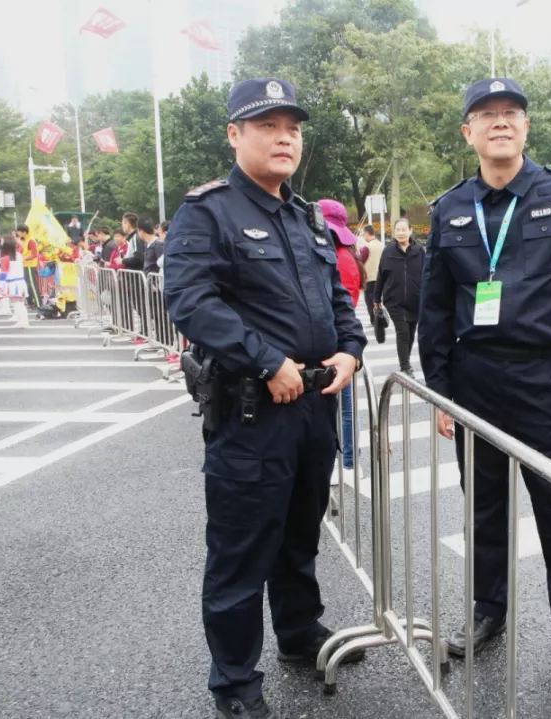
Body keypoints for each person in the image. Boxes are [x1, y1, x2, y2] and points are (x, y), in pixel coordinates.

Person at [163, 77, 367, 719]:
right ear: (235, 134)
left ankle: (299, 633)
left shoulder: (305, 216)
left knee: (300, 534)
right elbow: (190, 301)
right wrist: (266, 359)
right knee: (241, 550)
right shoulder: (209, 212)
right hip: (253, 411)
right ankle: (234, 682)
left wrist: (351, 349)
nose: (285, 138)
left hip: (314, 406)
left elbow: (336, 299)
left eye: (293, 128)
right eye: (268, 126)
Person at [418, 77, 551, 684]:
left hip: (544, 380)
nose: (500, 122)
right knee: (484, 508)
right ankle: (488, 609)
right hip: (475, 379)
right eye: (486, 114)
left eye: (511, 113)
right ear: (468, 132)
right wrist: (440, 391)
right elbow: (434, 308)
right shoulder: (450, 208)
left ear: (526, 126)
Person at [318, 197, 366, 470]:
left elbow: (341, 306)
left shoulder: (339, 258)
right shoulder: (343, 255)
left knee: (345, 406)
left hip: (337, 344)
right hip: (338, 341)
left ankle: (348, 459)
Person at [374, 217, 425, 376]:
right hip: (394, 301)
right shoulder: (388, 251)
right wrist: (376, 299)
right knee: (403, 331)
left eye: (404, 229)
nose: (401, 233)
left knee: (410, 332)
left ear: (410, 231)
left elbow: (427, 275)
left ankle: (405, 361)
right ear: (394, 232)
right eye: (398, 230)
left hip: (415, 300)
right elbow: (381, 275)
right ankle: (405, 367)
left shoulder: (419, 251)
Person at [0, 237, 31, 328]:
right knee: (21, 303)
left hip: (12, 282)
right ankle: (24, 321)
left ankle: (21, 321)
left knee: (16, 303)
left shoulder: (5, 258)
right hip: (20, 281)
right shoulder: (19, 255)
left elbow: (4, 273)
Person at [358, 224, 384, 325]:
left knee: (369, 300)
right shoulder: (382, 245)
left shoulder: (367, 247)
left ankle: (374, 320)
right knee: (377, 299)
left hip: (370, 277)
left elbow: (360, 261)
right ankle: (380, 318)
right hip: (381, 277)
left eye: (363, 234)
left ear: (366, 233)